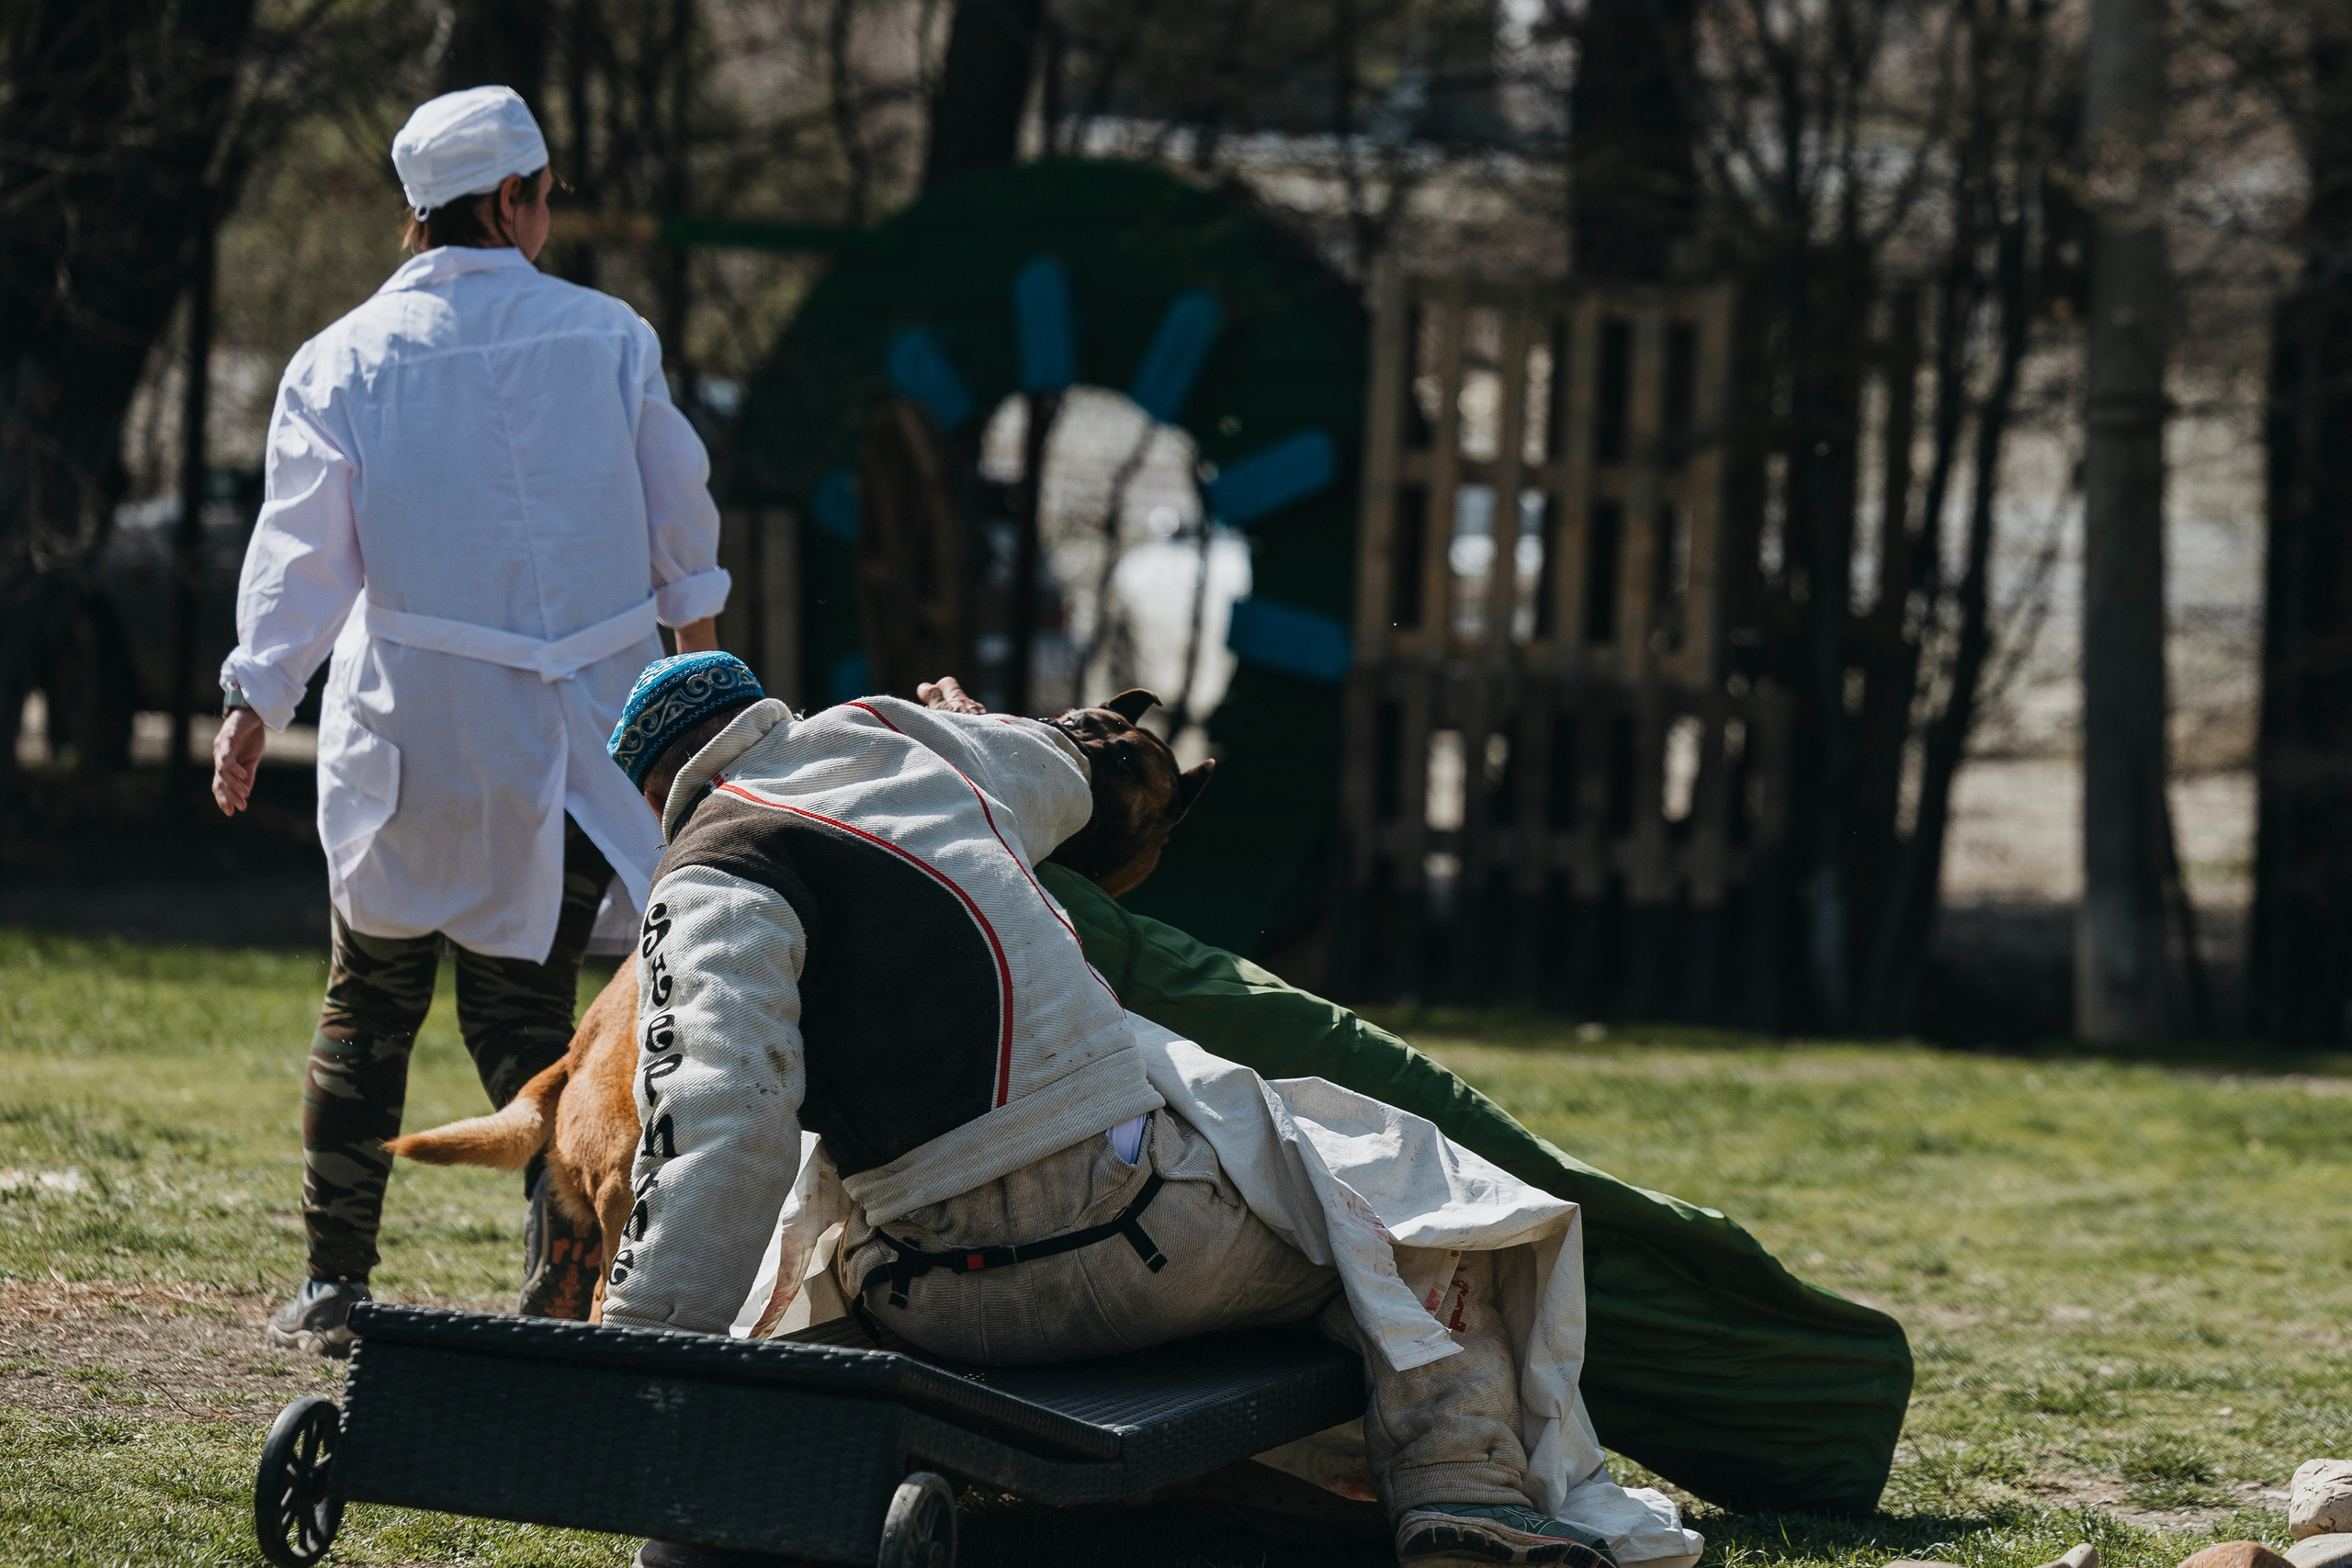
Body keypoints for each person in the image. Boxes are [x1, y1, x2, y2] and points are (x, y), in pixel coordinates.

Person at [596, 656, 1707, 1568]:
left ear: (657, 793)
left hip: (931, 1301)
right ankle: (1464, 1491)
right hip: (1157, 1247)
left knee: (810, 1252)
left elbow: (719, 1133)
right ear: (767, 715)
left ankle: (728, 1525)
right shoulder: (900, 745)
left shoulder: (705, 877)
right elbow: (1073, 771)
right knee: (1411, 1208)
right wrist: (1025, 726)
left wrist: (635, 1365)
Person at [210, 85, 730, 1357]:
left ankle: (335, 1285)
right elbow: (681, 521)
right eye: (544, 195)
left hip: (411, 734)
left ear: (416, 214)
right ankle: (560, 1290)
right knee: (526, 1026)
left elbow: (300, 559)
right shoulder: (611, 337)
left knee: (367, 1006)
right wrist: (702, 668)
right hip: (566, 753)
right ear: (512, 201)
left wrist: (252, 696)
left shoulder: (336, 358)